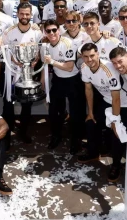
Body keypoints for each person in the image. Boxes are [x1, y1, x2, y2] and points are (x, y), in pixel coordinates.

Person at [79, 43, 127, 182]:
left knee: (117, 134)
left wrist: (115, 122)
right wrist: (90, 112)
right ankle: (93, 152)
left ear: (98, 54)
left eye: (92, 55)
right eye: (86, 57)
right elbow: (88, 89)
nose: (89, 59)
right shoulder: (84, 67)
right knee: (91, 123)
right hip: (107, 101)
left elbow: (116, 98)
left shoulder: (109, 70)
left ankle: (116, 165)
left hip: (124, 104)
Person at [2, 3, 43, 145]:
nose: (24, 17)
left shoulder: (37, 32)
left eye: (27, 14)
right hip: (12, 73)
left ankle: (23, 132)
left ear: (31, 15)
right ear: (17, 14)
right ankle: (6, 135)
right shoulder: (9, 32)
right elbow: (5, 50)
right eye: (22, 14)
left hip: (29, 73)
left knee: (27, 105)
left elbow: (39, 50)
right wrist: (15, 61)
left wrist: (35, 60)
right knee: (8, 104)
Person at [41, 20, 83, 154]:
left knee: (75, 113)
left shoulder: (67, 43)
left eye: (54, 30)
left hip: (73, 81)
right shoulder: (45, 45)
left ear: (59, 30)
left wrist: (52, 61)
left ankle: (76, 141)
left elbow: (69, 67)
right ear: (45, 32)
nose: (52, 33)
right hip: (58, 80)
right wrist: (43, 78)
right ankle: (56, 136)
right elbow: (45, 64)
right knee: (54, 111)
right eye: (48, 31)